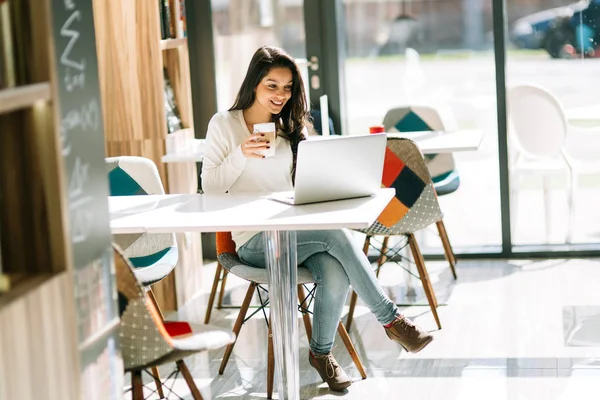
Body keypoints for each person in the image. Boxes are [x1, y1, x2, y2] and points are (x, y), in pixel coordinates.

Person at [201, 45, 434, 392]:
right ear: (253, 84)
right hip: (254, 240)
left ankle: (321, 354)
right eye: (272, 85)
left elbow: (307, 184)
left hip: (296, 229)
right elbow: (211, 189)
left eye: (288, 87)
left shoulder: (290, 127)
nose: (281, 95)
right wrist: (240, 154)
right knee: (337, 237)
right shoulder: (225, 124)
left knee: (335, 267)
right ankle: (392, 319)